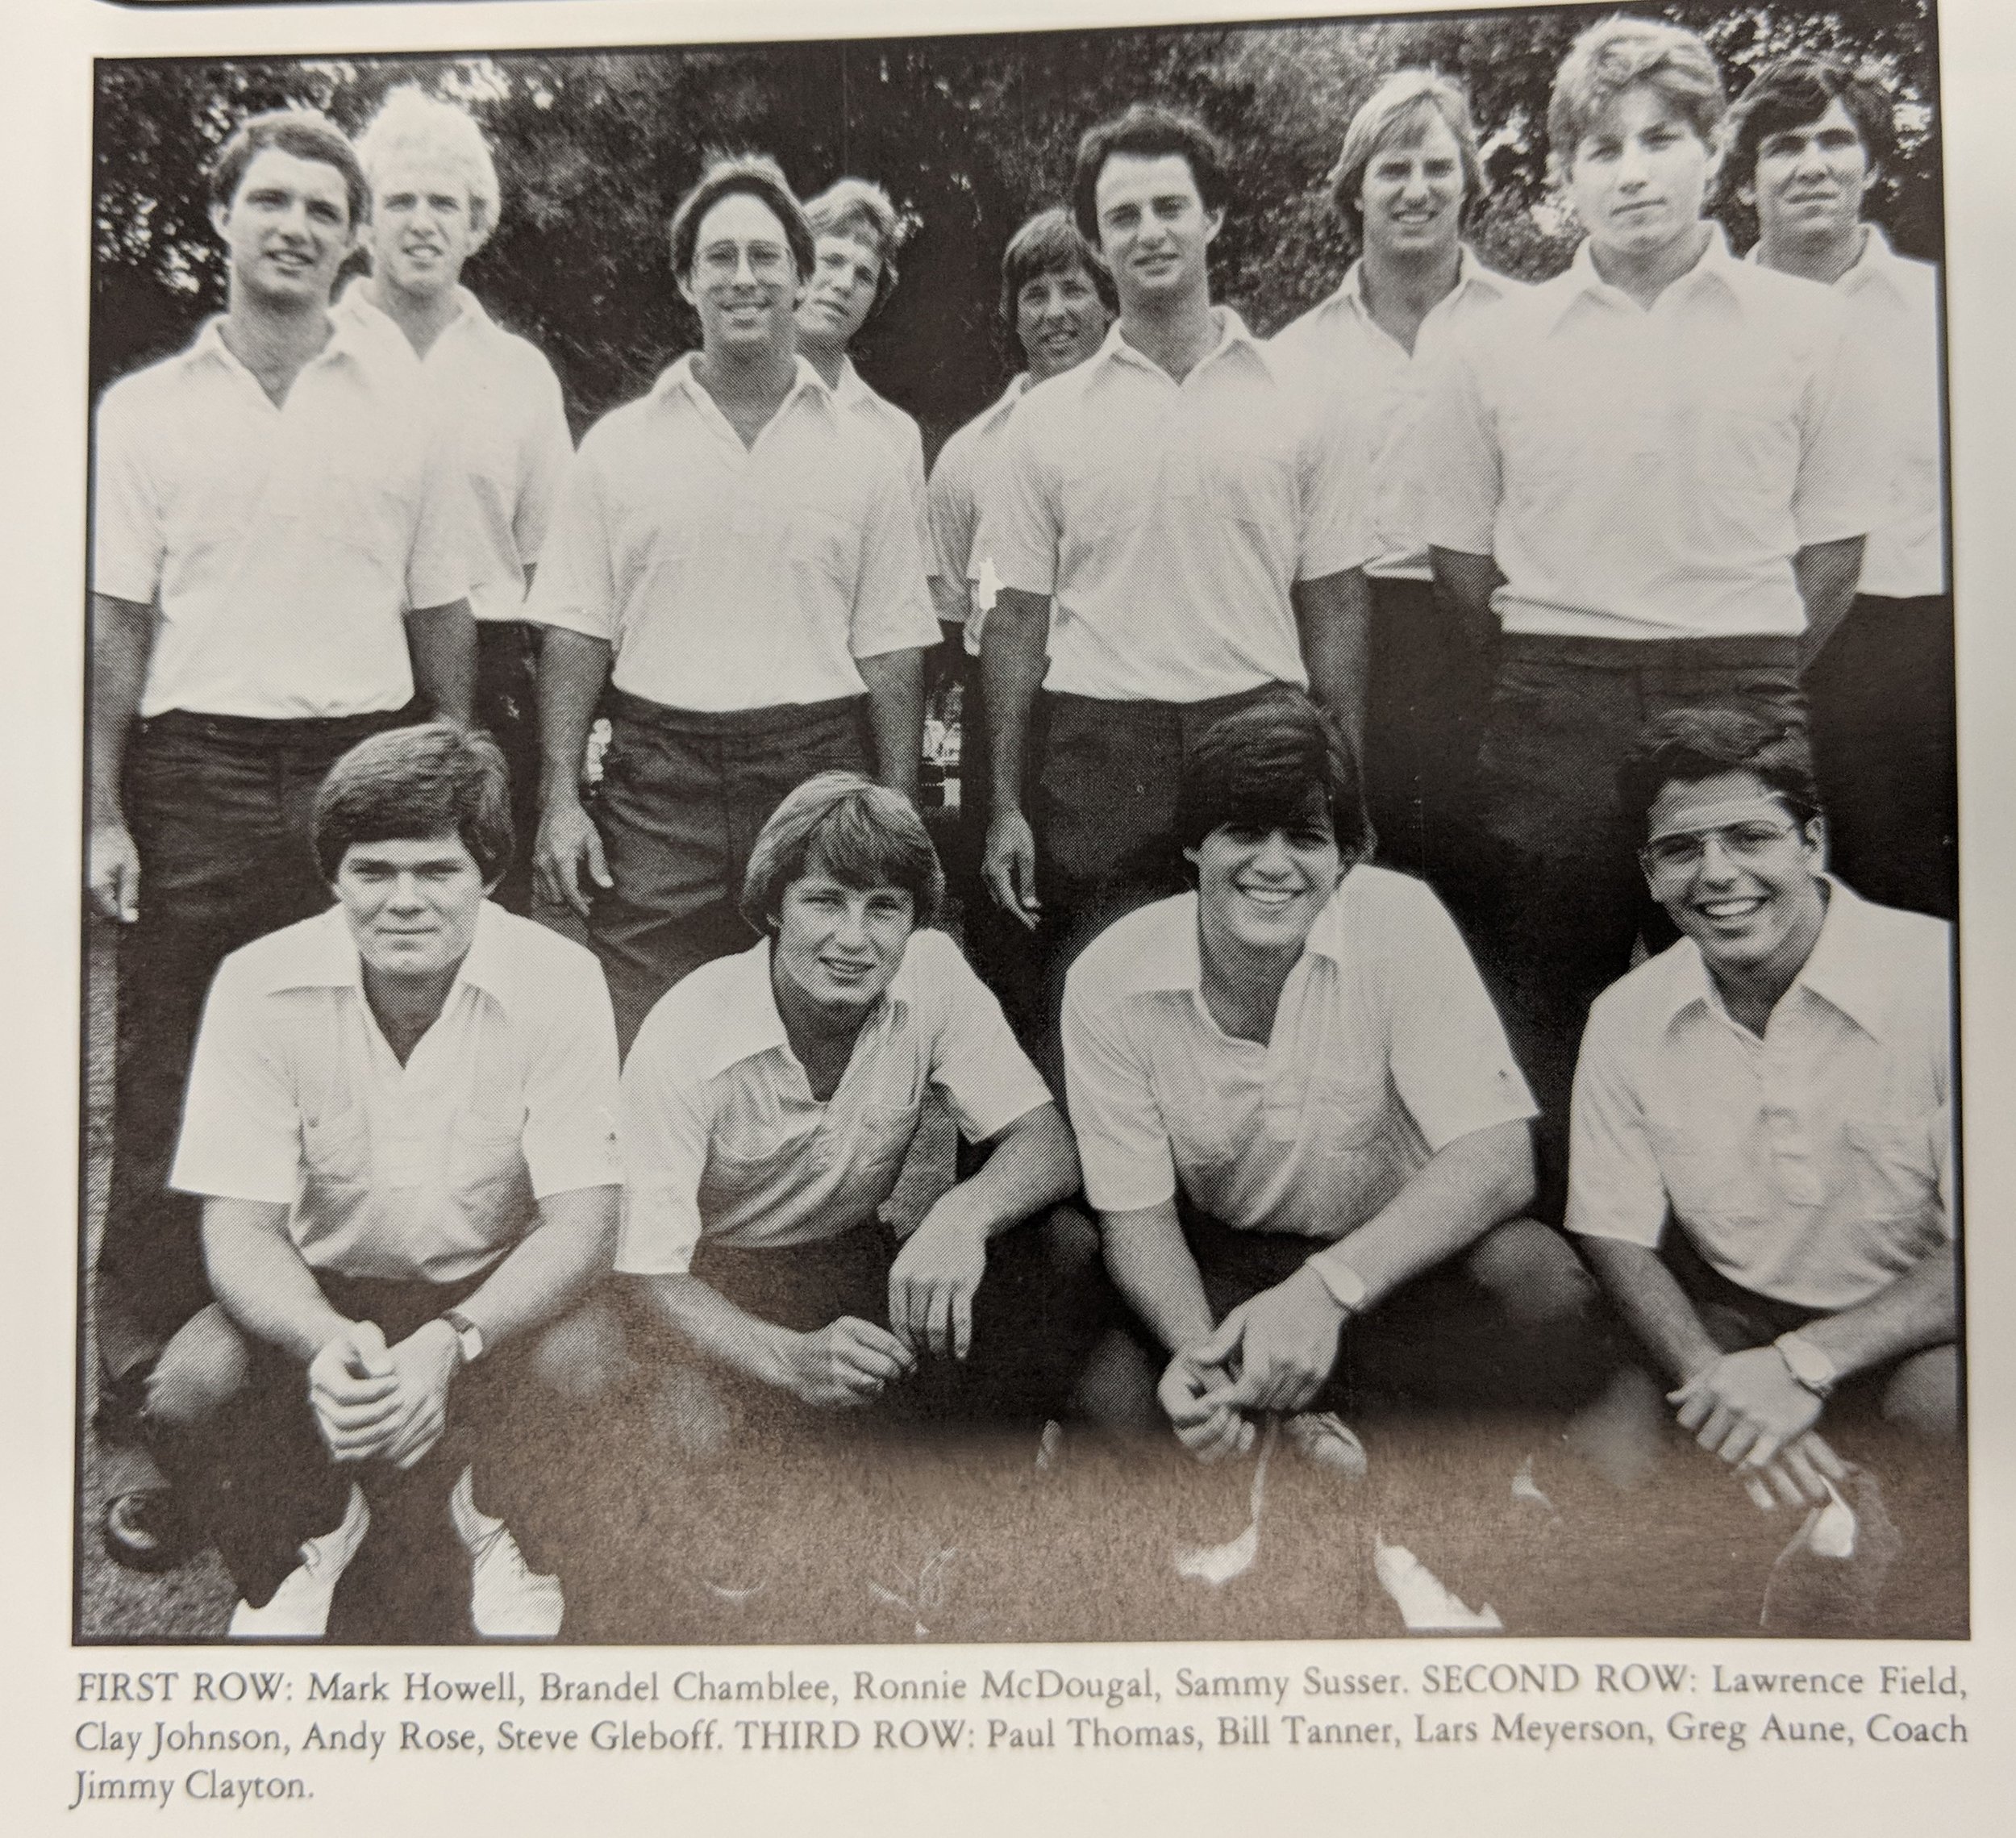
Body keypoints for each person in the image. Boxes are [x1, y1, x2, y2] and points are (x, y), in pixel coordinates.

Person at [87, 108, 478, 1571]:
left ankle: (334, 1372)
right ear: (224, 217)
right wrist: (100, 804)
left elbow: (444, 605)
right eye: (272, 201)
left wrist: (451, 768)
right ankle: (162, 1423)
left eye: (326, 207)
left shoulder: (405, 404)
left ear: (353, 234)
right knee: (174, 1082)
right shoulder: (143, 410)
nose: (299, 226)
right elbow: (116, 620)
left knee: (358, 1063)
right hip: (195, 763)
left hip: (361, 762)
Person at [1415, 16, 1890, 1202]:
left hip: (1744, 684)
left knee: (1756, 977)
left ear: (1714, 151)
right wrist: (1559, 664)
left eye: (1663, 139)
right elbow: (1461, 558)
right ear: (1564, 172)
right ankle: (1570, 1275)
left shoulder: (1813, 329)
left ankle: (1760, 1239)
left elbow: (1833, 552)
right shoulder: (1488, 340)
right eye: (1602, 147)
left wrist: (1744, 672)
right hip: (1554, 692)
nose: (1633, 171)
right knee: (1547, 992)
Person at [142, 726, 625, 1641]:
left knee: (593, 1360)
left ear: (487, 870)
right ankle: (309, 1533)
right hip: (321, 1291)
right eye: (373, 870)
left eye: (437, 870)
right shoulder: (256, 982)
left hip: (491, 1292)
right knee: (187, 1386)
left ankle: (505, 1524)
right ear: (333, 875)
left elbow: (584, 1223)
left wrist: (451, 1340)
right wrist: (324, 1339)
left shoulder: (562, 979)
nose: (403, 900)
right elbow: (238, 1231)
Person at [1061, 692, 1602, 1471]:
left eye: (1307, 837)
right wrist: (1207, 1356)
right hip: (1224, 1275)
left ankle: (1359, 1448)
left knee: (1541, 1281)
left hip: (1388, 1271)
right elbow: (1137, 1219)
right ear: (1192, 846)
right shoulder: (1110, 977)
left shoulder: (1401, 918)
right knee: (1108, 1370)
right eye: (1243, 832)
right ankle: (1300, 1434)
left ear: (1347, 855)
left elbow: (1497, 1158)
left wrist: (1324, 1291)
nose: (1274, 864)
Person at [616, 773, 1090, 1604]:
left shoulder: (934, 971)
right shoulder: (687, 1032)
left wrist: (960, 1213)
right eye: (824, 902)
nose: (853, 938)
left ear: (915, 920)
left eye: (884, 908)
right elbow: (651, 1271)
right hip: (713, 1280)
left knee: (1058, 1245)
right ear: (772, 907)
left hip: (848, 1257)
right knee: (712, 1480)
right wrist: (788, 1359)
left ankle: (952, 1528)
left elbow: (1046, 1143)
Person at [980, 102, 1375, 1077]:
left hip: (1261, 727)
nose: (1149, 231)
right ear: (1099, 242)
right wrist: (1003, 802)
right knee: (1096, 998)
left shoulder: (1304, 394)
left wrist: (1347, 782)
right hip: (1099, 746)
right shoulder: (1045, 421)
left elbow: (1332, 602)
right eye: (1123, 217)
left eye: (1169, 206)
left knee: (1263, 1003)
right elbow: (1016, 621)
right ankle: (1089, 1222)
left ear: (1214, 219)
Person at [527, 155, 938, 1052]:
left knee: (807, 1037)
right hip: (655, 778)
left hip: (815, 764)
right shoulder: (617, 446)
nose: (744, 276)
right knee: (644, 1037)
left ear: (799, 272)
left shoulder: (866, 455)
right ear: (686, 278)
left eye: (765, 255)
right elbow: (575, 629)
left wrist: (898, 807)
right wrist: (560, 794)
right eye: (720, 257)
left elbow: (893, 647)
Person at [1568, 708, 1956, 1513]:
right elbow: (1614, 1229)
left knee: (1940, 1417)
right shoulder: (1626, 1013)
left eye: (1749, 837)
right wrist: (1716, 1378)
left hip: (1929, 1328)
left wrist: (1802, 1366)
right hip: (1736, 1324)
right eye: (1680, 849)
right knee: (1607, 1466)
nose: (1715, 874)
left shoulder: (1946, 980)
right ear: (1648, 872)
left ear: (1810, 842)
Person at [1270, 69, 1526, 890]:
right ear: (1356, 191)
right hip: (1352, 636)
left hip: (1500, 634)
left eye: (1437, 167)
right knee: (1367, 877)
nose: (1416, 190)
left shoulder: (1532, 325)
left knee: (1499, 883)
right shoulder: (1296, 354)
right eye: (1392, 169)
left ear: (1467, 184)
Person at [1723, 55, 1952, 920]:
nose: (1811, 164)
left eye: (1834, 141)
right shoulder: (1710, 317)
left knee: (1906, 907)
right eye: (1783, 146)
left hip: (1910, 655)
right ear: (1745, 182)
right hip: (1742, 653)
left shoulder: (1946, 309)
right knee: (1749, 906)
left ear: (1873, 164)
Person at [339, 87, 577, 915]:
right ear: (361, 223)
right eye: (397, 200)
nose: (421, 221)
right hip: (340, 672)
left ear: (478, 224)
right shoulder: (313, 355)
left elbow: (554, 570)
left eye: (444, 202)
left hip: (488, 675)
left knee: (479, 914)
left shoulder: (518, 374)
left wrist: (554, 755)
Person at [925, 205, 1114, 1038]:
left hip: (1112, 709)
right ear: (1011, 314)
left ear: (1109, 301)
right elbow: (951, 621)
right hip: (1010, 723)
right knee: (1011, 953)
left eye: (1075, 288)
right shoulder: (970, 451)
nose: (1054, 311)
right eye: (1033, 293)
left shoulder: (1142, 426)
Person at [794, 177, 932, 580]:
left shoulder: (895, 435)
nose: (843, 285)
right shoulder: (732, 402)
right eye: (831, 261)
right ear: (795, 267)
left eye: (864, 276)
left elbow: (903, 592)